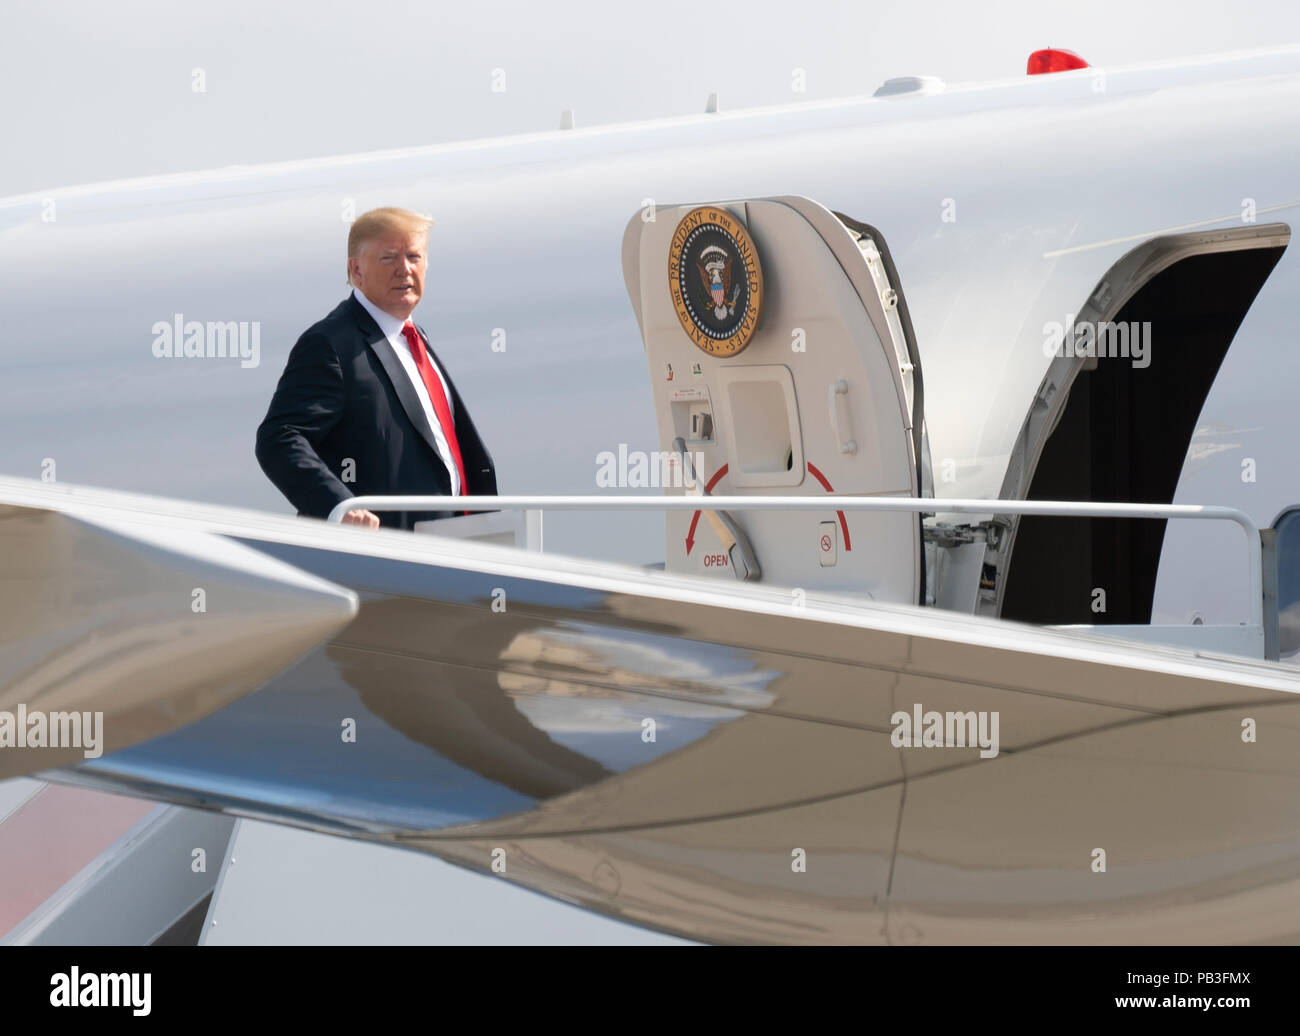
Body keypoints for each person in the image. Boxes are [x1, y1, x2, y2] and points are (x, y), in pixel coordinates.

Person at [256, 207, 496, 529]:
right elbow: (279, 438)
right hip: (382, 553)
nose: (405, 269)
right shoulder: (331, 343)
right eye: (389, 258)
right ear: (356, 270)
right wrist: (339, 506)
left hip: (456, 543)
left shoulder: (413, 338)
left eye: (414, 256)